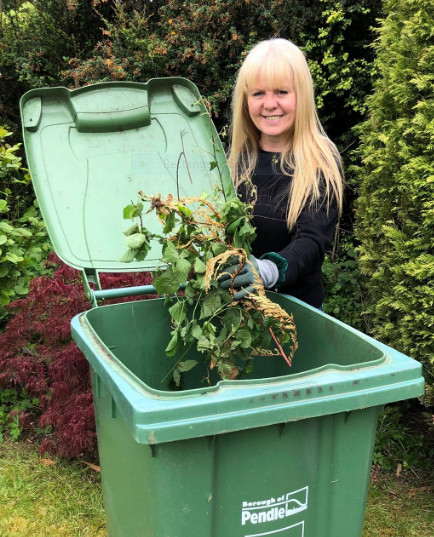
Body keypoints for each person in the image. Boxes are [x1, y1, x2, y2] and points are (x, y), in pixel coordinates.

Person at [219, 38, 344, 309]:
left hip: (297, 316)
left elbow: (311, 240)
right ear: (245, 100)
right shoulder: (236, 160)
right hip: (238, 312)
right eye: (258, 93)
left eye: (282, 92)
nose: (270, 104)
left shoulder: (319, 161)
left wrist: (267, 271)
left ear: (302, 95)